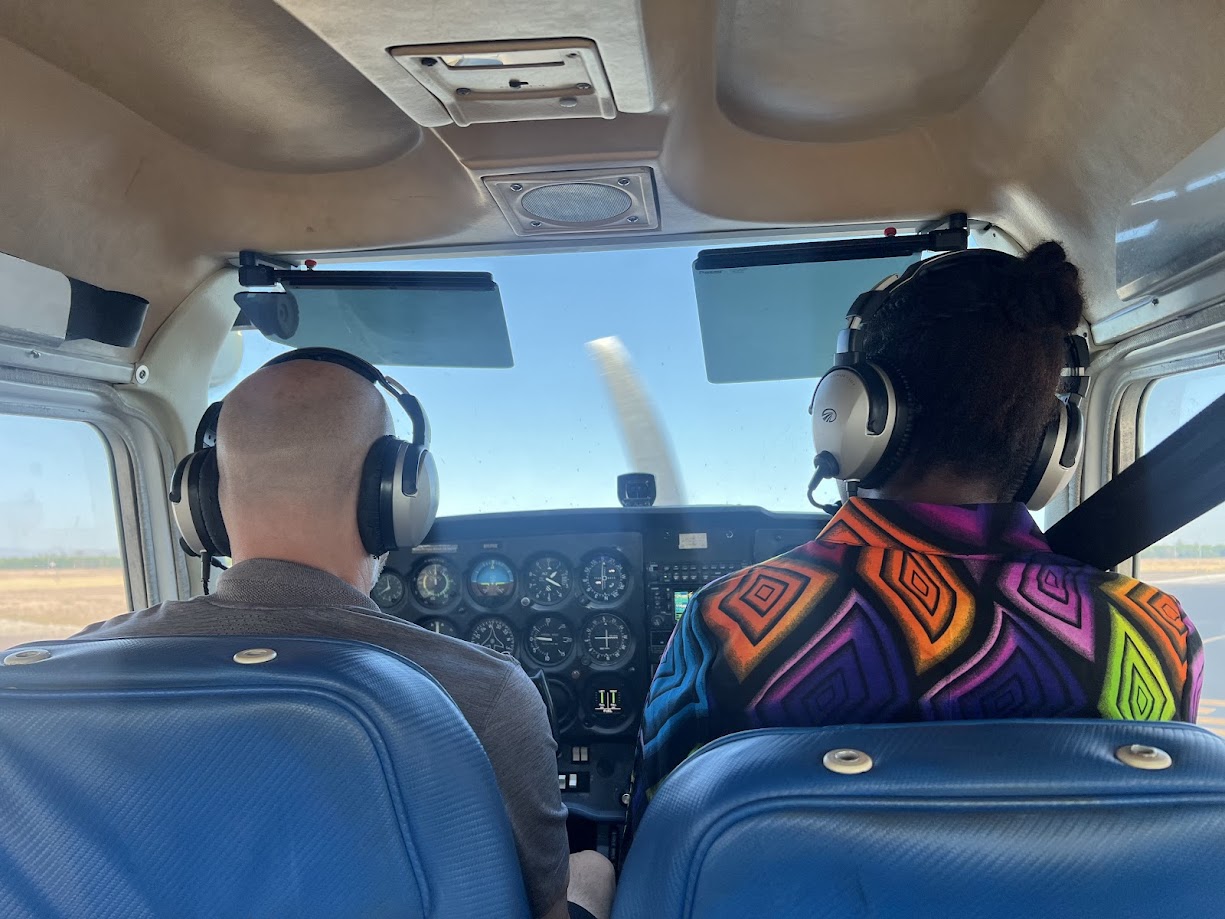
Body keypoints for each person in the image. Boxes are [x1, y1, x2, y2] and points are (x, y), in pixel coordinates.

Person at [625, 241, 1204, 849]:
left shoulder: (732, 628)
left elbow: (660, 849)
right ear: (1054, 442)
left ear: (848, 417)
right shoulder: (1159, 633)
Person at [74, 356, 615, 919]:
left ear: (202, 502)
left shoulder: (85, 670)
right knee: (592, 869)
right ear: (394, 501)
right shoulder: (486, 696)